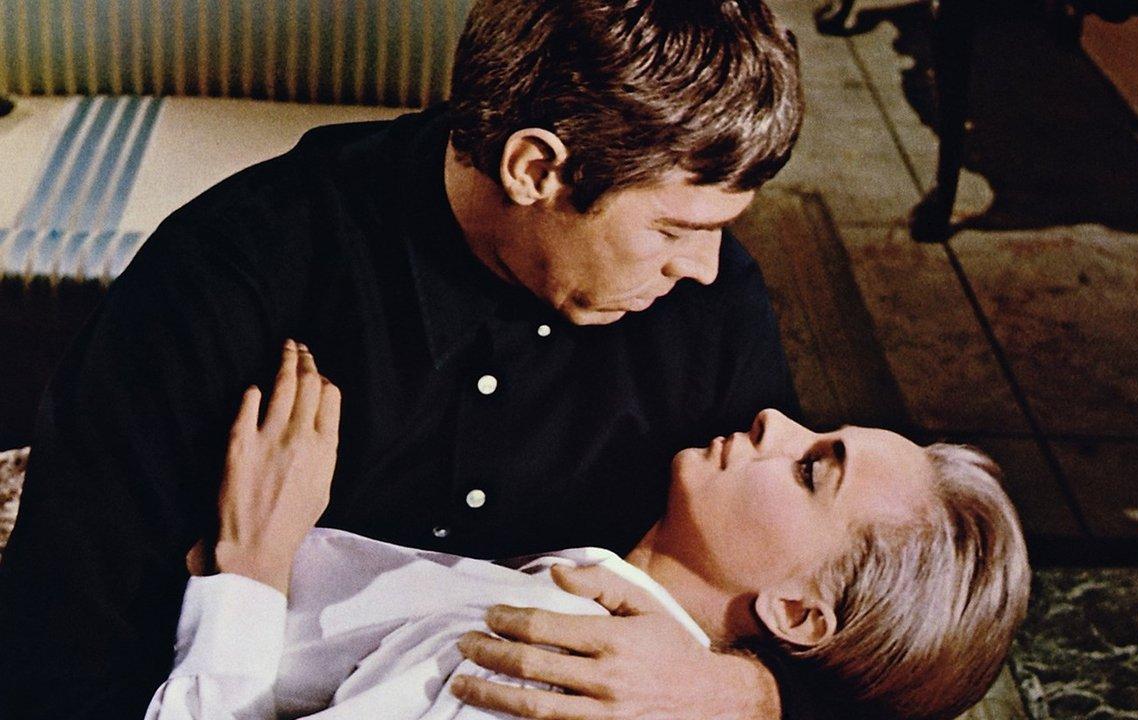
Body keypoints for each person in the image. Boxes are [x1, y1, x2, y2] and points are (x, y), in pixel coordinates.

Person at [0, 2, 827, 719]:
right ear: (534, 168)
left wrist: (740, 694)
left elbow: (847, 603)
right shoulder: (225, 283)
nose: (705, 266)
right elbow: (62, 657)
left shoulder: (707, 309)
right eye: (675, 229)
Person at [145, 343, 1031, 720]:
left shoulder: (548, 666)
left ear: (798, 612)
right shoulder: (585, 601)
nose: (774, 419)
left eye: (811, 471)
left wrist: (249, 567)